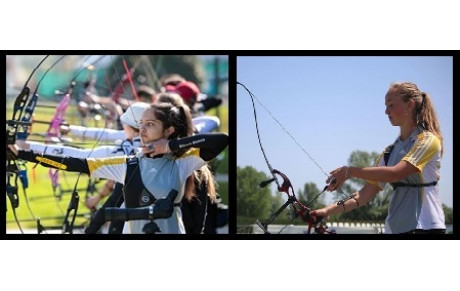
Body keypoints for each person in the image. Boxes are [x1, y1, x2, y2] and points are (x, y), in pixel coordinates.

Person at [11, 103, 228, 234]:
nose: (142, 129)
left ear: (169, 130)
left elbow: (221, 140)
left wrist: (169, 146)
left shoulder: (182, 163)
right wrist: (24, 154)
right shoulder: (126, 164)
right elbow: (71, 162)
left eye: (150, 124)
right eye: (141, 124)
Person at [310, 82, 445, 234]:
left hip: (426, 228)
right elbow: (364, 195)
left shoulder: (428, 140)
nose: (386, 111)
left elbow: (396, 173)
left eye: (391, 105)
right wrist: (326, 211)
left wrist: (349, 171)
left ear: (410, 105)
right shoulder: (389, 152)